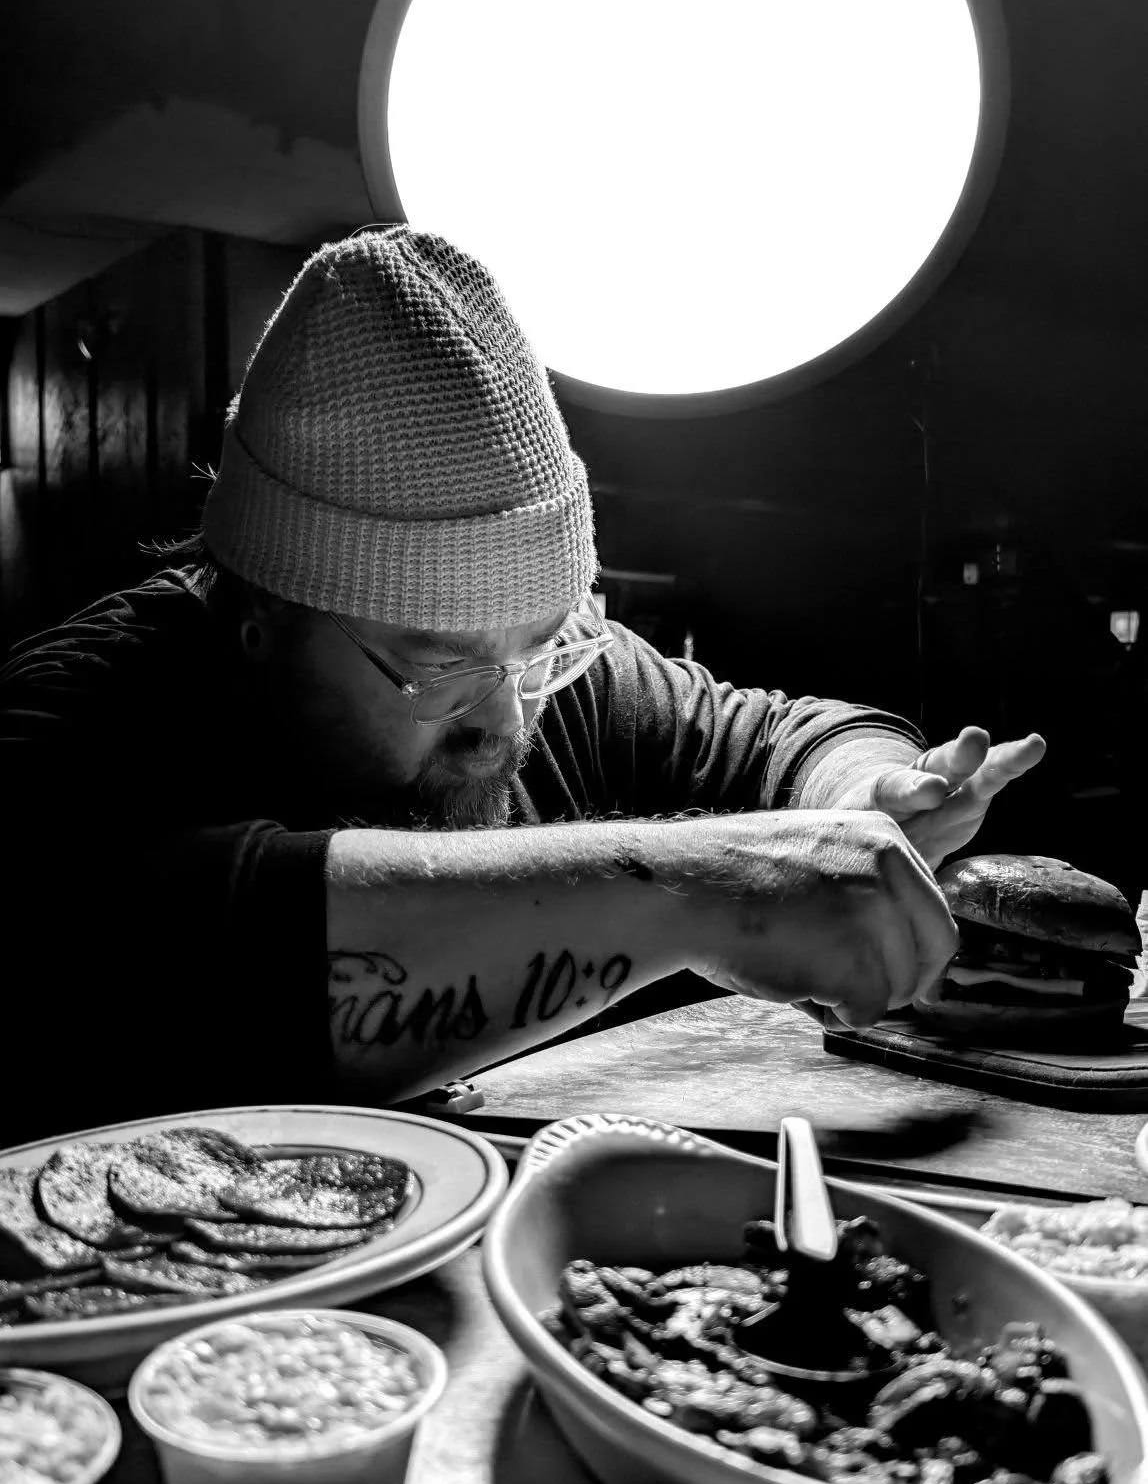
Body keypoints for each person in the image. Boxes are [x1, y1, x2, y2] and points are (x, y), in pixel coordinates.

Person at [0, 227, 1045, 1145]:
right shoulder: (76, 715)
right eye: (436, 664)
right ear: (259, 618)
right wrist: (698, 885)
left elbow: (784, 734)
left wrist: (861, 797)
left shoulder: (551, 678)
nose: (505, 722)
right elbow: (156, 938)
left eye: (544, 648)